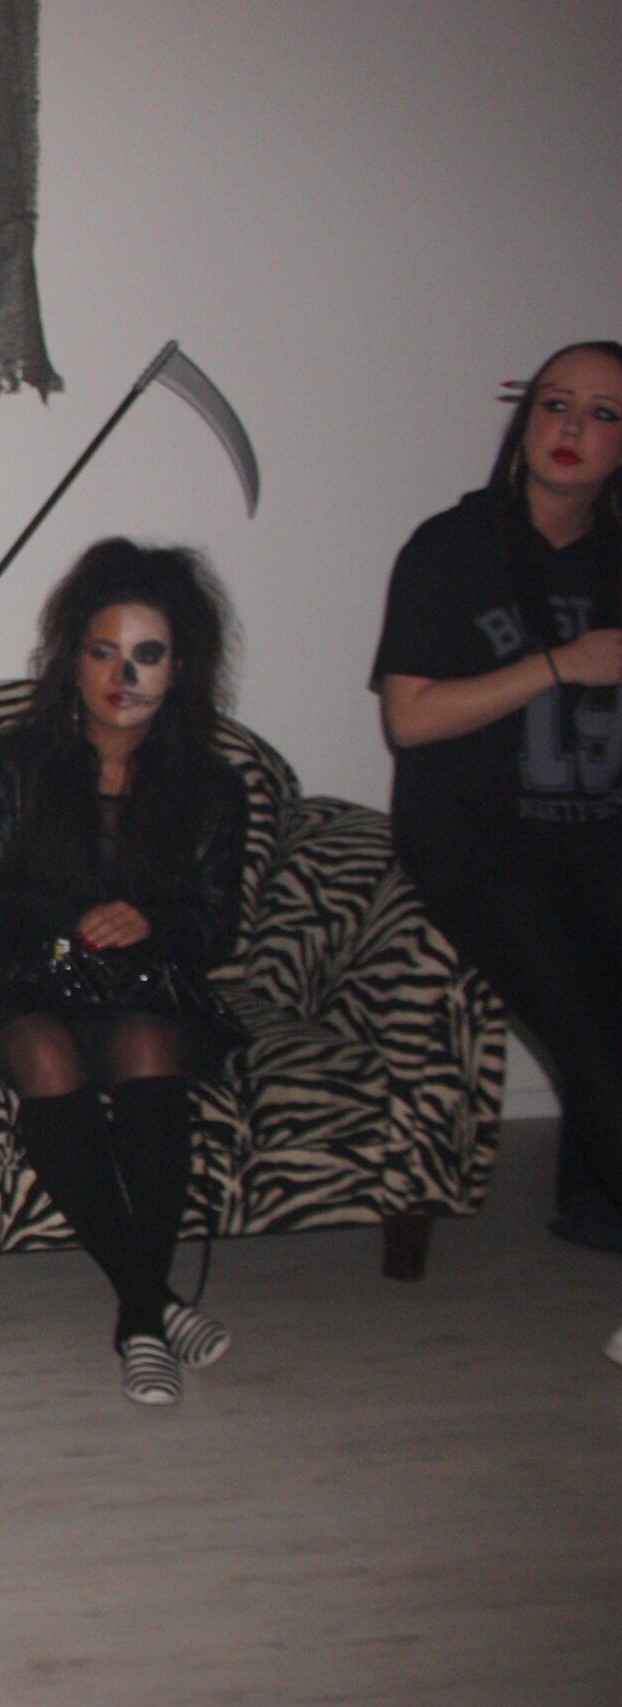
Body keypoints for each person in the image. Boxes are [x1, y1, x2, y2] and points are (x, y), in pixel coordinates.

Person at [0, 539, 248, 1407]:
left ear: (180, 668)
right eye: (104, 651)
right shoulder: (21, 760)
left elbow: (216, 929)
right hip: (25, 981)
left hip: (142, 989)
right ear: (72, 658)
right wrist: (68, 914)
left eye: (148, 654)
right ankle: (153, 1309)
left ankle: (140, 1317)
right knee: (46, 1055)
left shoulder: (213, 787)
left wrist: (153, 924)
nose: (124, 675)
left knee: (151, 1045)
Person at [372, 341, 622, 1274]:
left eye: (603, 413)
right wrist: (559, 664)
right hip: (482, 846)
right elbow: (409, 719)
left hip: (601, 832)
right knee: (595, 1037)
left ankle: (594, 1206)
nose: (573, 427)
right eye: (557, 403)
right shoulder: (453, 548)